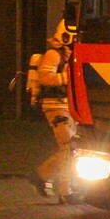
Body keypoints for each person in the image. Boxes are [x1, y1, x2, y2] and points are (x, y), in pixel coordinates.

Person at [29, 20, 76, 203]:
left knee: (71, 149)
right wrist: (67, 78)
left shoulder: (67, 54)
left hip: (66, 105)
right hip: (55, 106)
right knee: (69, 148)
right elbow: (45, 76)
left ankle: (42, 177)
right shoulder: (53, 54)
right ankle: (65, 191)